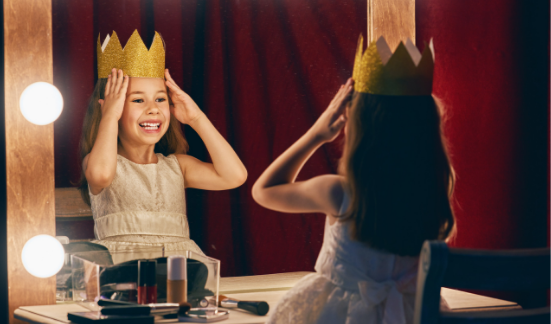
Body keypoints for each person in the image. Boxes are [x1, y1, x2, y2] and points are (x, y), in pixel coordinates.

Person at [252, 36, 455, 324]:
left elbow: (264, 190)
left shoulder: (339, 193)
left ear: (359, 126)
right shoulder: (432, 195)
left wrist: (317, 134)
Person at [79, 30, 247, 255]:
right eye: (138, 100)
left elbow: (234, 176)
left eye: (160, 99)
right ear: (111, 107)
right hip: (123, 273)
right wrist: (109, 116)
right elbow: (100, 175)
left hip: (179, 272)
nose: (153, 108)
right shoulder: (101, 164)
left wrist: (197, 118)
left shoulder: (178, 166)